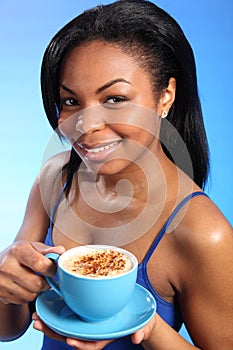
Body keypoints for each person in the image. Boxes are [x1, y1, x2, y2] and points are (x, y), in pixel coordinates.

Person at [0, 0, 232, 349]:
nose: (86, 126)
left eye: (114, 99)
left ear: (165, 96)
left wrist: (146, 326)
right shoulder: (55, 178)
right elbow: (8, 329)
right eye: (71, 101)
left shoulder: (203, 234)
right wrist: (6, 286)